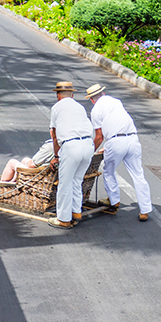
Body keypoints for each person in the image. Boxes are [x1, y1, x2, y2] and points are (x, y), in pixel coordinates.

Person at [85, 83, 152, 221]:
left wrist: (89, 152)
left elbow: (99, 136)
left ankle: (114, 201)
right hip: (132, 138)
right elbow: (116, 122)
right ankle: (145, 210)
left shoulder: (95, 110)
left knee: (109, 171)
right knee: (138, 175)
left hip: (115, 142)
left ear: (91, 99)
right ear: (103, 93)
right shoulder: (116, 101)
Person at [48, 81, 94, 229]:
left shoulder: (56, 107)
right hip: (88, 144)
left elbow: (53, 134)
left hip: (71, 145)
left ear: (58, 95)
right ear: (72, 95)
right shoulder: (79, 106)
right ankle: (76, 212)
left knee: (65, 183)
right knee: (77, 179)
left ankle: (64, 219)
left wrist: (56, 155)